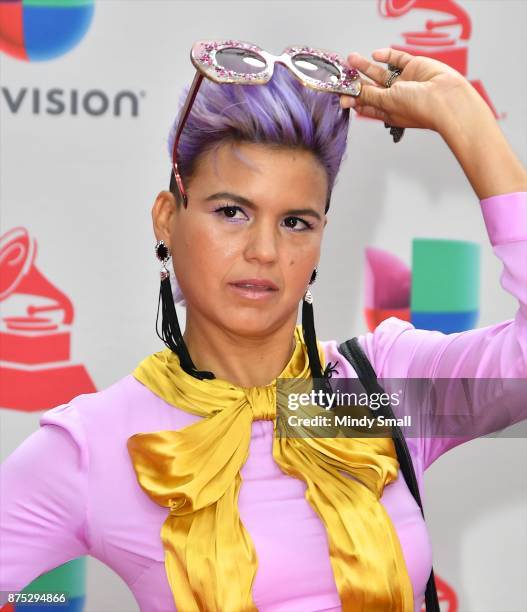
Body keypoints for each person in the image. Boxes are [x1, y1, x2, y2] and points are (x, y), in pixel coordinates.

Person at [1, 42, 526, 612]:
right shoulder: (94, 445)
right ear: (167, 218)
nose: (264, 251)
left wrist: (465, 117)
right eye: (232, 212)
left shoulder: (383, 388)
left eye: (295, 222)